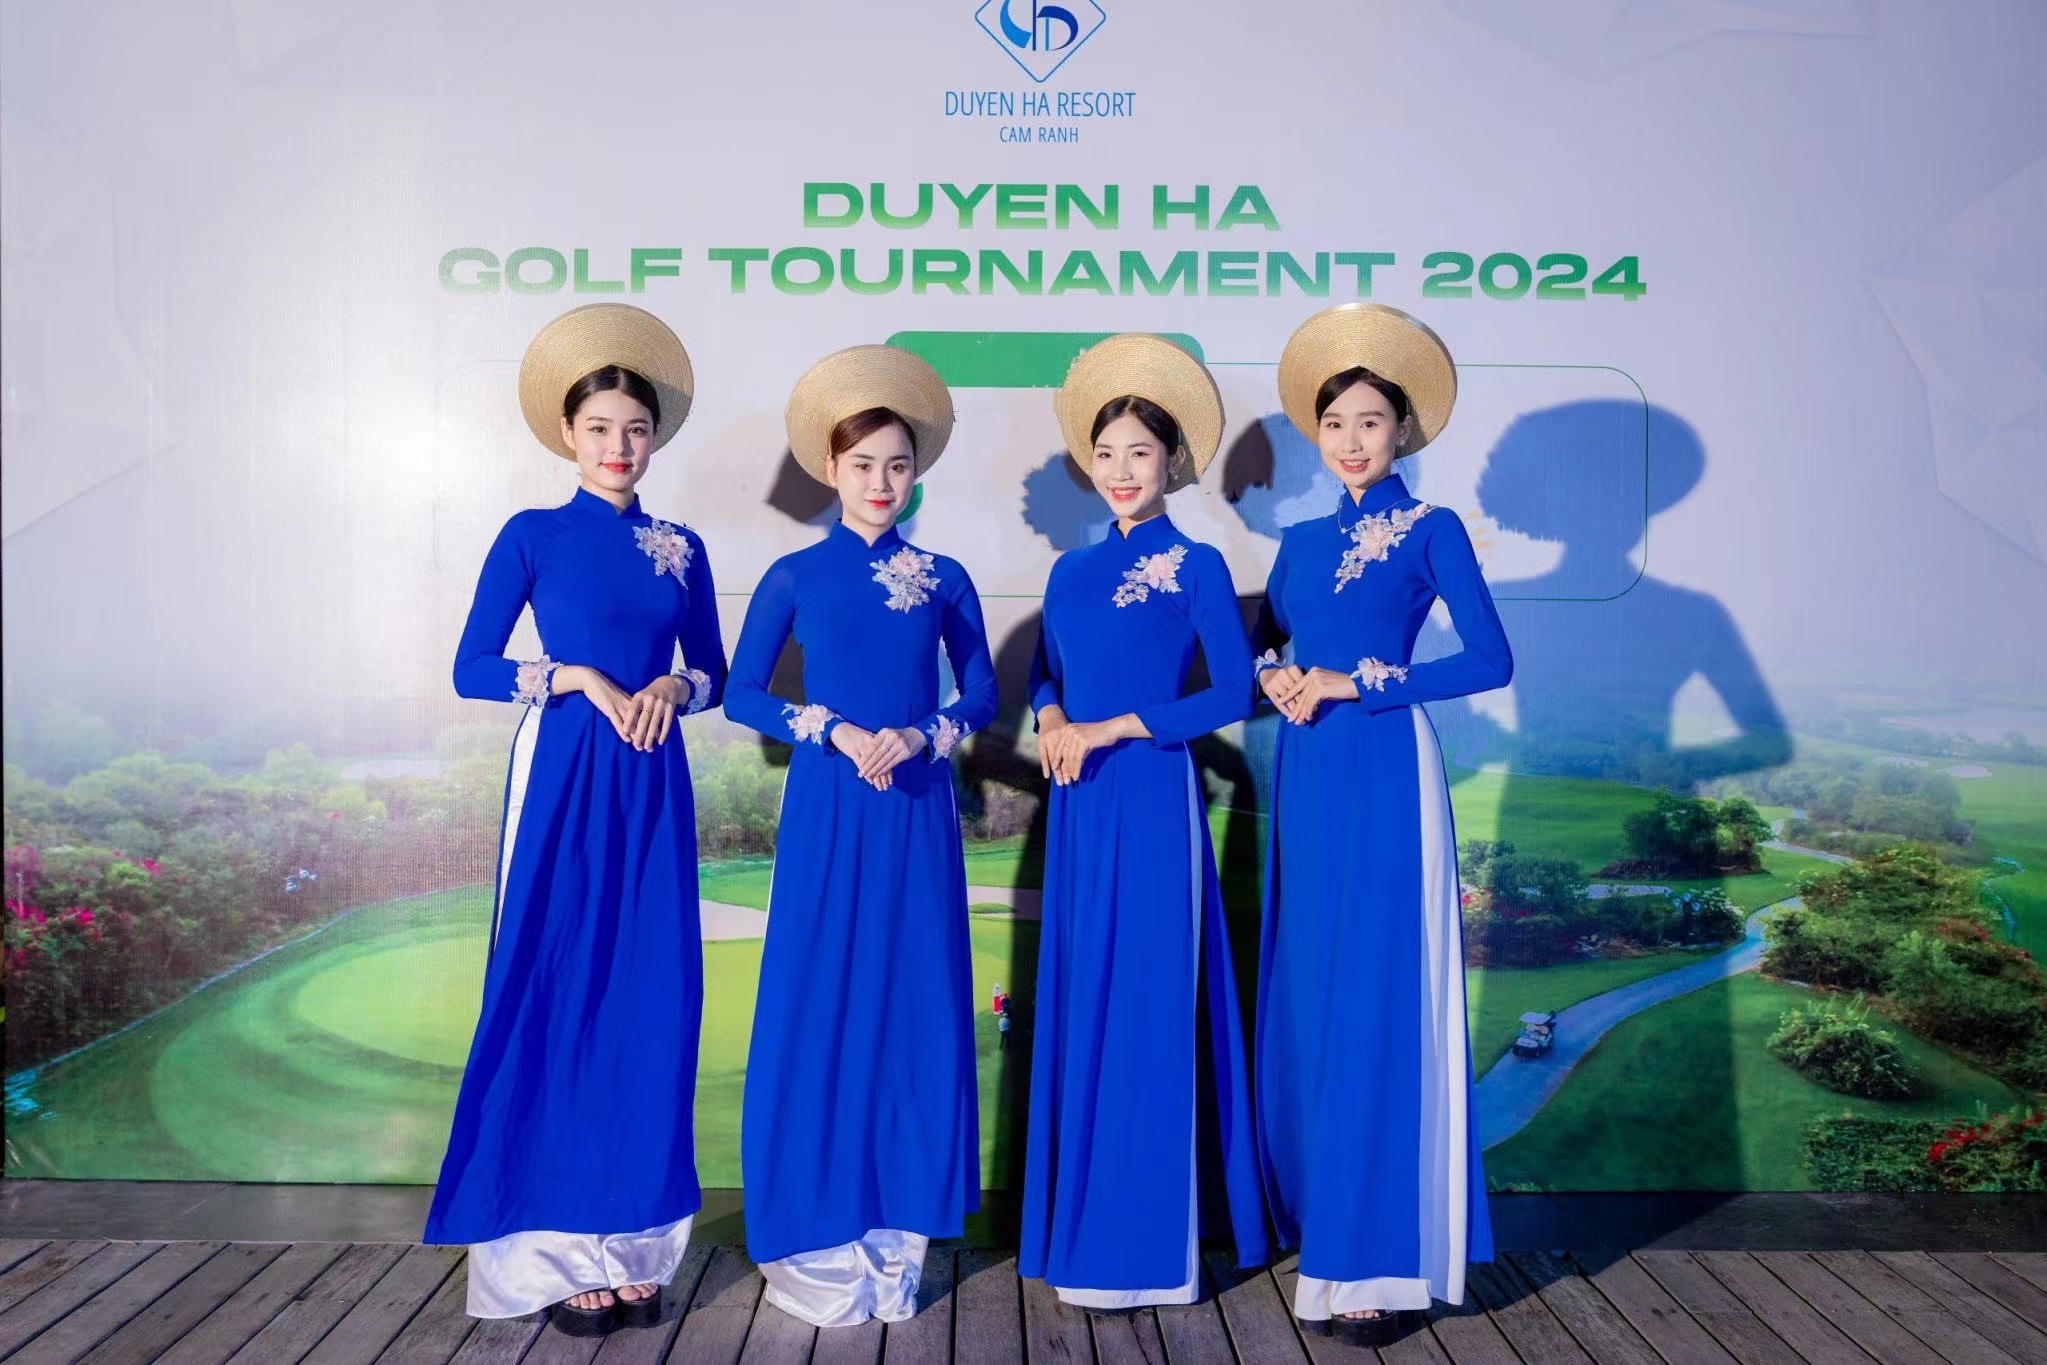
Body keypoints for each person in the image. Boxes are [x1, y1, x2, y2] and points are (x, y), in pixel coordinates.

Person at [426, 304, 727, 1336]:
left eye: (635, 430)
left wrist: (673, 689)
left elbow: (713, 672)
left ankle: (632, 1246)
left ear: (655, 438)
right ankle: (548, 1253)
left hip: (650, 779)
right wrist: (580, 678)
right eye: (599, 429)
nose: (618, 446)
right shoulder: (533, 534)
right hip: (560, 771)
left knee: (649, 996)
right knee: (550, 987)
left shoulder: (681, 546)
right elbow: (471, 667)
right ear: (567, 433)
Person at [724, 345, 998, 1329]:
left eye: (896, 465)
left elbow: (983, 691)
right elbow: (740, 692)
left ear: (915, 473)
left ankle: (897, 1234)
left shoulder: (944, 576)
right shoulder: (794, 574)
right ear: (829, 469)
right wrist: (831, 729)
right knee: (818, 1000)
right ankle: (815, 1233)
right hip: (829, 808)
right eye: (862, 464)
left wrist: (923, 734)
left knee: (914, 1004)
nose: (879, 481)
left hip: (915, 808)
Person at [1253, 303, 1510, 1347]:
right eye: (1335, 424)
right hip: (1308, 776)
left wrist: (1358, 682)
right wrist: (1275, 677)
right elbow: (1270, 644)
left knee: (1376, 995)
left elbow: (1489, 660)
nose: (1352, 440)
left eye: (1370, 421)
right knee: (1313, 994)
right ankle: (1322, 1213)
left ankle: (1375, 1259)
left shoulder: (1431, 529)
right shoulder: (1299, 542)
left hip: (1386, 770)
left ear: (1404, 429)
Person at [1019, 334, 1268, 1313]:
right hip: (1078, 807)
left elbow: (1235, 692)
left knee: (1149, 1007)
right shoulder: (1069, 573)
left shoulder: (1197, 564)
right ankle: (1083, 1235)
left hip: (1155, 799)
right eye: (1106, 453)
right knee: (1083, 1003)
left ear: (1172, 461)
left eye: (1140, 452)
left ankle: (1153, 1252)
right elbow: (1043, 672)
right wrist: (1050, 718)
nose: (1121, 470)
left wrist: (1115, 725)